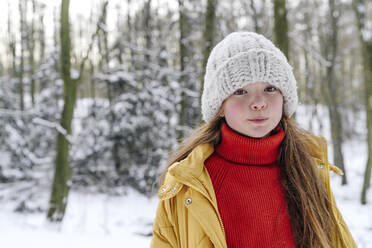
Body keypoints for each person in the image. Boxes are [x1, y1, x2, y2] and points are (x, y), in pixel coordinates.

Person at [150, 32, 356, 248]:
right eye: (240, 91)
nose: (258, 102)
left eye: (270, 88)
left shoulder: (308, 167)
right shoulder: (187, 184)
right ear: (220, 106)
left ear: (285, 98)